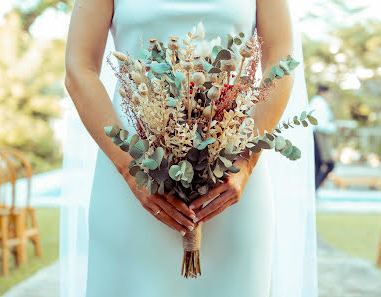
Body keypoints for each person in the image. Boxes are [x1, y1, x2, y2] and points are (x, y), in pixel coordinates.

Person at [62, 0, 318, 296]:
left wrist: (246, 161)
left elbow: (280, 62)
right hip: (130, 169)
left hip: (232, 173)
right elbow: (79, 68)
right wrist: (131, 169)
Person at [310, 85, 337, 189]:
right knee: (327, 164)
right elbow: (320, 124)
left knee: (319, 164)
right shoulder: (319, 103)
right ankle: (314, 188)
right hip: (319, 136)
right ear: (323, 92)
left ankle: (314, 188)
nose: (330, 95)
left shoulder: (318, 102)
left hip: (318, 135)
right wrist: (334, 128)